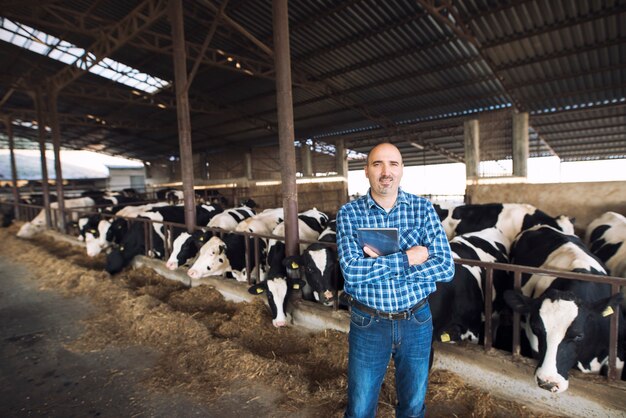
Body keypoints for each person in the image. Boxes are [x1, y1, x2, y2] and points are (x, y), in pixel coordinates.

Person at [336, 142, 454, 418]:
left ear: (402, 170)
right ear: (366, 171)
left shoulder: (423, 209)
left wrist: (377, 265)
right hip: (369, 322)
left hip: (416, 320)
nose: (385, 171)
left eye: (393, 164)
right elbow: (352, 272)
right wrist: (409, 258)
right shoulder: (349, 214)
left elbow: (446, 268)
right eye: (377, 164)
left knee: (413, 406)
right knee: (360, 407)